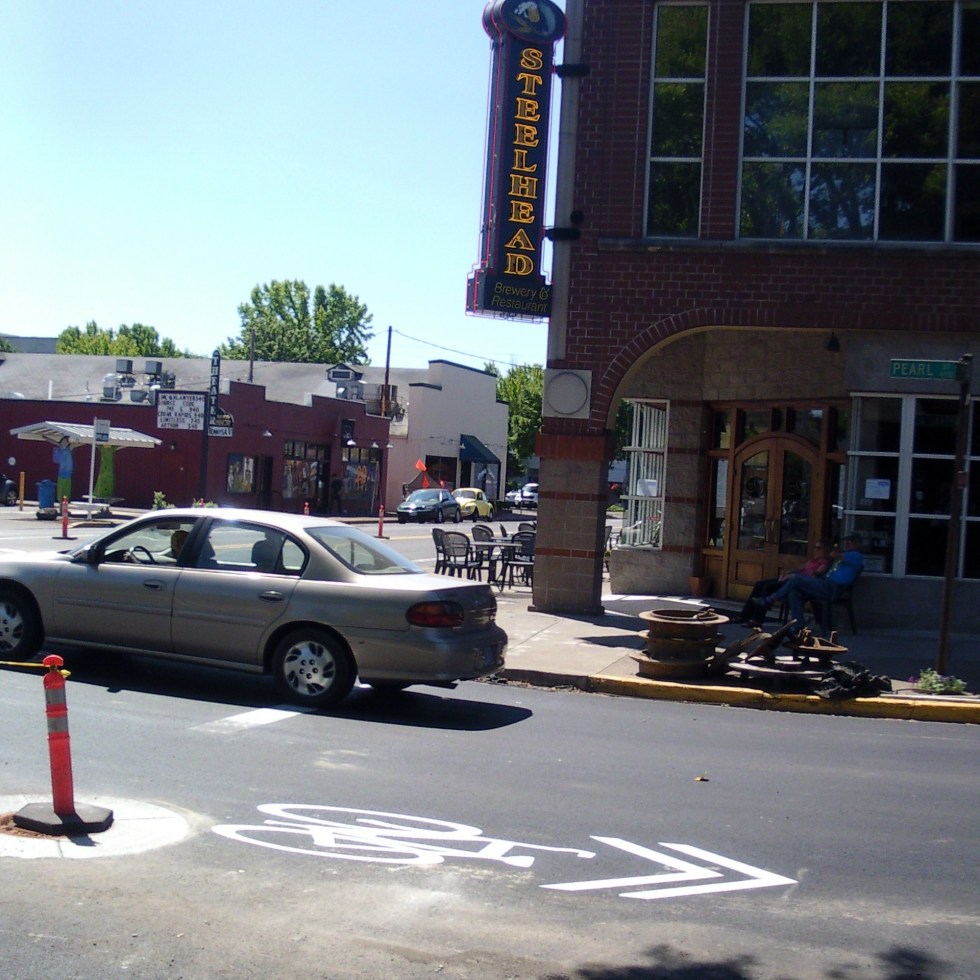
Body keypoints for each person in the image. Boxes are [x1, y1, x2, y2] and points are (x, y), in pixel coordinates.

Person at [754, 533, 865, 637]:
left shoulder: (856, 555)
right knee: (794, 592)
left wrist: (832, 548)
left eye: (850, 542)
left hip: (833, 588)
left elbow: (833, 555)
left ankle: (771, 599)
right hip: (824, 583)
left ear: (858, 544)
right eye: (845, 541)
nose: (846, 544)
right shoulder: (844, 555)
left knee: (796, 579)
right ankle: (798, 626)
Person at [733, 541, 830, 626]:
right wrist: (787, 572)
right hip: (791, 578)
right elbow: (799, 569)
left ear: (825, 550)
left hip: (796, 583)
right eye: (815, 547)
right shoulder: (812, 561)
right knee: (759, 584)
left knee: (768, 587)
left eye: (819, 548)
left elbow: (814, 576)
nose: (816, 550)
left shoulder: (824, 563)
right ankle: (744, 615)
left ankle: (757, 619)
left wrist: (794, 576)